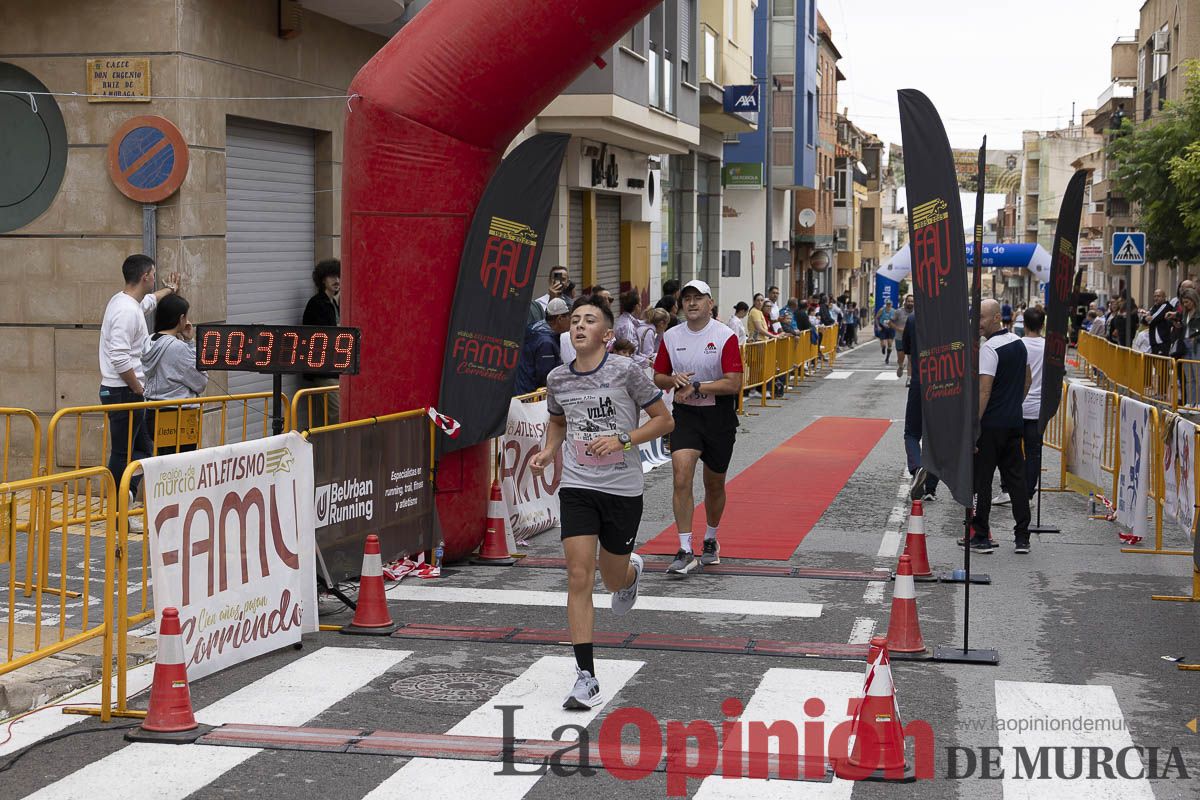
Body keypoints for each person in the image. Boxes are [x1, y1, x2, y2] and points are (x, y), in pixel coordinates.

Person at [530, 295, 673, 709]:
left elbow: (665, 420)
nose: (579, 325)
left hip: (622, 488)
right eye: (575, 319)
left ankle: (630, 574)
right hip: (577, 486)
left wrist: (623, 439)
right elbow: (558, 421)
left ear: (607, 334)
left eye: (589, 320)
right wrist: (548, 451)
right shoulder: (558, 378)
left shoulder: (626, 371)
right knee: (579, 575)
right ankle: (586, 677)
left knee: (611, 579)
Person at [653, 280, 745, 576]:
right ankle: (684, 549)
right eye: (687, 298)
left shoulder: (725, 335)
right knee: (681, 476)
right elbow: (658, 376)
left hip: (719, 417)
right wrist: (673, 380)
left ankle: (710, 539)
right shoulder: (671, 336)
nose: (692, 303)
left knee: (714, 484)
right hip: (686, 416)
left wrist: (696, 386)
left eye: (698, 298)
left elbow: (733, 383)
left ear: (710, 303)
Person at [99, 254, 182, 515]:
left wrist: (170, 290)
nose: (155, 278)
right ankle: (117, 511)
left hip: (126, 391)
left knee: (143, 449)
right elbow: (119, 357)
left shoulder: (125, 301)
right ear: (145, 276)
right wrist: (137, 388)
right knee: (122, 453)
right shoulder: (125, 311)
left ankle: (126, 498)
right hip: (123, 391)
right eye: (154, 274)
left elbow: (148, 302)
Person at [968, 299, 1032, 554]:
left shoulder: (989, 349)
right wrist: (1014, 404)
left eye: (982, 318)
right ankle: (1022, 537)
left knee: (982, 481)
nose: (978, 323)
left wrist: (974, 426)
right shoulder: (1018, 343)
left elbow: (984, 391)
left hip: (991, 425)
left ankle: (981, 535)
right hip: (1014, 422)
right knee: (1016, 480)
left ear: (996, 318)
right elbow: (1027, 380)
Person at [143, 294, 208, 455]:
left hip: (152, 412)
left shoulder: (149, 341)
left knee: (161, 462)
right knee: (180, 465)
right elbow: (200, 382)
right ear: (181, 318)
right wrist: (190, 343)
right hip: (178, 415)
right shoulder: (177, 348)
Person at [896, 311, 939, 501]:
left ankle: (916, 467)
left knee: (912, 433)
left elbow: (906, 348)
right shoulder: (949, 316)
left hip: (919, 381)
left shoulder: (913, 318)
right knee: (936, 436)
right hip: (944, 384)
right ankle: (931, 488)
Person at [301, 258, 342, 428]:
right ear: (322, 280)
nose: (337, 281)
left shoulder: (333, 303)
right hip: (324, 371)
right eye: (332, 277)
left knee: (333, 414)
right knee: (337, 414)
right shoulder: (317, 304)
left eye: (338, 276)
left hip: (335, 370)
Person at [514, 297, 571, 395]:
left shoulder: (534, 328)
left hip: (522, 389)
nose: (571, 321)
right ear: (560, 318)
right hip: (531, 395)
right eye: (569, 317)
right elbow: (546, 378)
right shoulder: (546, 343)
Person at [1146, 288, 1174, 356]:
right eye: (1155, 296)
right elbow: (1144, 319)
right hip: (1154, 341)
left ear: (1164, 297)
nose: (1156, 298)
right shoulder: (1153, 307)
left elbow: (1154, 318)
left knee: (1162, 361)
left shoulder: (1166, 306)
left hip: (1162, 340)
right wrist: (1147, 318)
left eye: (1158, 296)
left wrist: (1149, 318)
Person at [875, 299, 897, 363]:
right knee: (883, 344)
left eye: (889, 304)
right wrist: (878, 326)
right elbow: (876, 318)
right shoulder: (882, 310)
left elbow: (897, 320)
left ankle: (887, 358)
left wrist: (895, 325)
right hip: (883, 327)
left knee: (890, 344)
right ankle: (883, 348)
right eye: (887, 304)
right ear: (886, 304)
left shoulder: (894, 311)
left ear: (891, 305)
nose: (888, 305)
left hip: (890, 328)